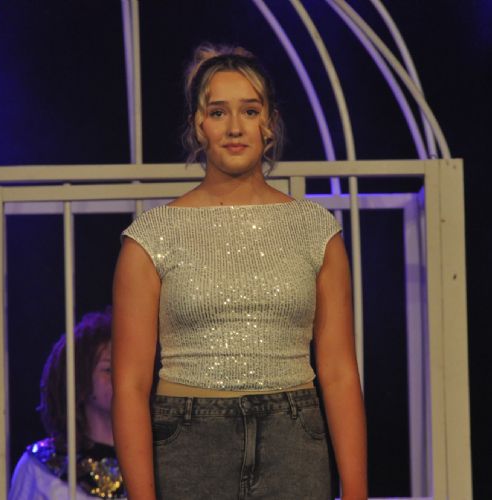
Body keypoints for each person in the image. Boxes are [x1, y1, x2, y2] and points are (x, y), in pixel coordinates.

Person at [112, 44, 367, 500]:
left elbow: (339, 371)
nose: (234, 127)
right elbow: (129, 385)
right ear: (199, 125)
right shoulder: (152, 236)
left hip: (293, 440)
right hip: (190, 443)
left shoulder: (315, 230)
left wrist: (356, 491)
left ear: (269, 123)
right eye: (218, 112)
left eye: (249, 111)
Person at [9, 309, 126, 499]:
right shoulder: (39, 469)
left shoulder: (156, 460)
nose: (122, 378)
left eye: (127, 368)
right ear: (79, 379)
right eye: (109, 369)